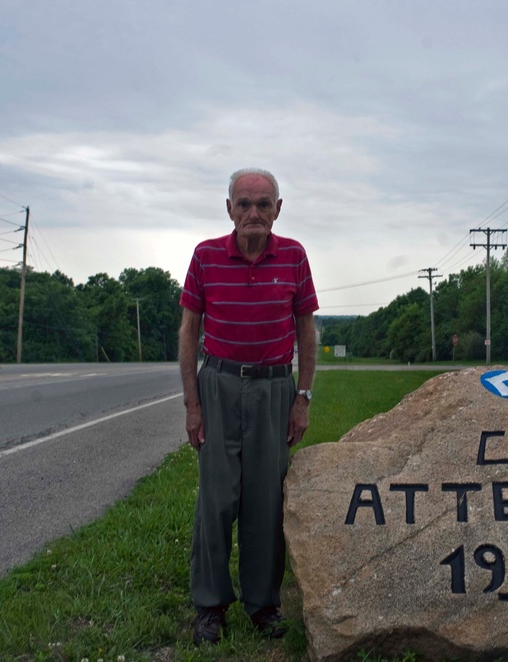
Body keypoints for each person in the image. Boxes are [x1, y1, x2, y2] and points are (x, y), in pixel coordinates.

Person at [178, 167, 318, 645]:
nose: (253, 212)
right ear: (229, 209)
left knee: (266, 501)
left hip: (274, 389)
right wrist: (193, 404)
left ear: (278, 209)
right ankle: (210, 607)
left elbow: (306, 331)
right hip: (218, 384)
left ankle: (264, 606)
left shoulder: (294, 256)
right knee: (216, 502)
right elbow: (189, 332)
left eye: (263, 204)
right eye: (244, 203)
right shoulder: (206, 256)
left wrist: (302, 397)